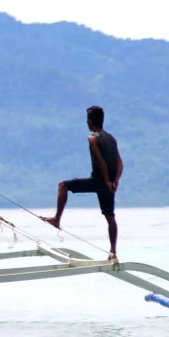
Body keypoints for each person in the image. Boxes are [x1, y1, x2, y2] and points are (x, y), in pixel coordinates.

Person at [41, 105, 123, 260]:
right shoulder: (112, 138)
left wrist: (105, 180)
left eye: (87, 119)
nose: (86, 122)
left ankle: (57, 219)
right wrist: (115, 181)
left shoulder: (93, 138)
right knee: (110, 217)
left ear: (91, 121)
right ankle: (113, 251)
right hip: (109, 184)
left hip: (100, 181)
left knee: (63, 186)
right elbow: (120, 162)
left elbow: (100, 161)